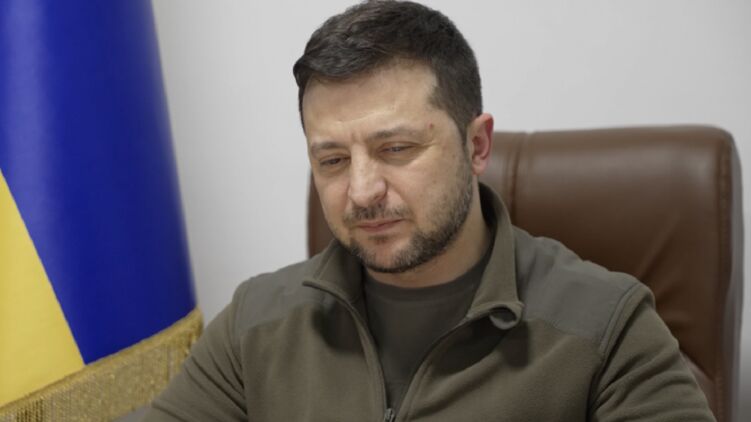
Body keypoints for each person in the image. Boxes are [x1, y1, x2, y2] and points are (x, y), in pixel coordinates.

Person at [144, 1, 716, 420]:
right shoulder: (255, 324)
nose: (362, 191)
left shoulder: (608, 327)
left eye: (396, 149)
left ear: (477, 145)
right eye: (333, 160)